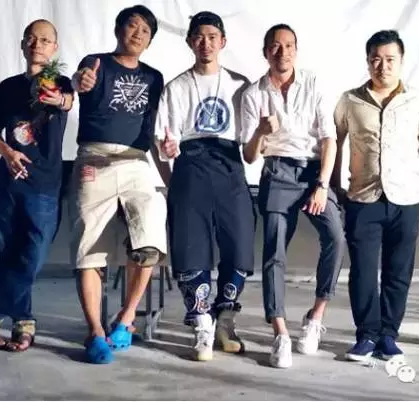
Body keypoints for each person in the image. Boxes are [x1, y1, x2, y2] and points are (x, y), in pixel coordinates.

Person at [241, 24, 346, 368]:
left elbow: (329, 139)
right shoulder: (254, 93)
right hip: (277, 171)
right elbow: (249, 156)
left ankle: (315, 317)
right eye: (275, 46)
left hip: (313, 171)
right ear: (265, 52)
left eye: (288, 46)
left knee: (336, 237)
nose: (282, 52)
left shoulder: (313, 83)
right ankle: (280, 333)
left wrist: (322, 184)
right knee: (274, 252)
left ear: (296, 51)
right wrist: (260, 131)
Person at [0, 19, 74, 353]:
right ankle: (24, 320)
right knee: (10, 257)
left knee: (33, 256)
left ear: (54, 47)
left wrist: (58, 99)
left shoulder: (59, 83)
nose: (37, 44)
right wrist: (8, 152)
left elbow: (67, 101)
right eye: (31, 38)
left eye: (45, 40)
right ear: (23, 44)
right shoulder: (7, 87)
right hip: (8, 183)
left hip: (45, 184)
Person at [70, 4, 168, 364]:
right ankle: (95, 332)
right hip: (94, 157)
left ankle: (126, 320)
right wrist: (80, 82)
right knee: (89, 247)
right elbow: (80, 81)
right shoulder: (96, 62)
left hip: (136, 160)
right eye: (132, 26)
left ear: (150, 40)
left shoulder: (154, 77)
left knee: (150, 239)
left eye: (145, 30)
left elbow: (153, 127)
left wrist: (168, 167)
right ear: (118, 29)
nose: (138, 34)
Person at [155, 11, 255, 362]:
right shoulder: (176, 87)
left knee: (239, 242)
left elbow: (250, 140)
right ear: (189, 42)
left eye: (212, 37)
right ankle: (201, 323)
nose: (206, 43)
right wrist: (169, 163)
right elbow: (162, 140)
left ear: (223, 41)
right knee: (190, 245)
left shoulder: (240, 85)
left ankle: (225, 319)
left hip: (230, 167)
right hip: (191, 167)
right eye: (198, 36)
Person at [333, 30, 419, 362]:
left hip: (406, 199)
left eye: (390, 59)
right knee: (363, 271)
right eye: (376, 59)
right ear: (368, 62)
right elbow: (335, 141)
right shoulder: (350, 100)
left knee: (398, 271)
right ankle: (366, 335)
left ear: (401, 61)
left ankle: (389, 336)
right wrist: (334, 183)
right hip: (363, 198)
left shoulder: (418, 99)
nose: (383, 66)